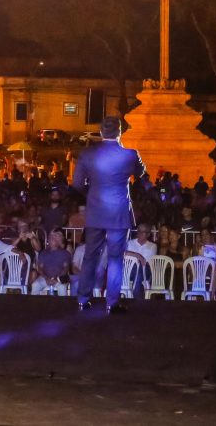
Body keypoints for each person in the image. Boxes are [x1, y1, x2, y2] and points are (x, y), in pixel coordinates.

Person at [72, 116, 145, 314]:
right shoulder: (130, 155)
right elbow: (141, 172)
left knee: (90, 256)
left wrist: (92, 194)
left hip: (96, 211)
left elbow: (77, 184)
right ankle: (111, 303)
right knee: (115, 259)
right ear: (120, 132)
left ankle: (83, 299)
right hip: (119, 213)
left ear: (101, 131)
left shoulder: (87, 154)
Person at [31, 230, 73, 295]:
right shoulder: (43, 253)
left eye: (54, 238)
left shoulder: (65, 253)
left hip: (59, 278)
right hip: (45, 278)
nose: (52, 240)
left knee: (62, 288)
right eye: (50, 238)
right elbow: (40, 268)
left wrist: (56, 278)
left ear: (58, 242)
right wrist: (46, 278)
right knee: (35, 285)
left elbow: (66, 268)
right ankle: (34, 304)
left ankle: (62, 305)